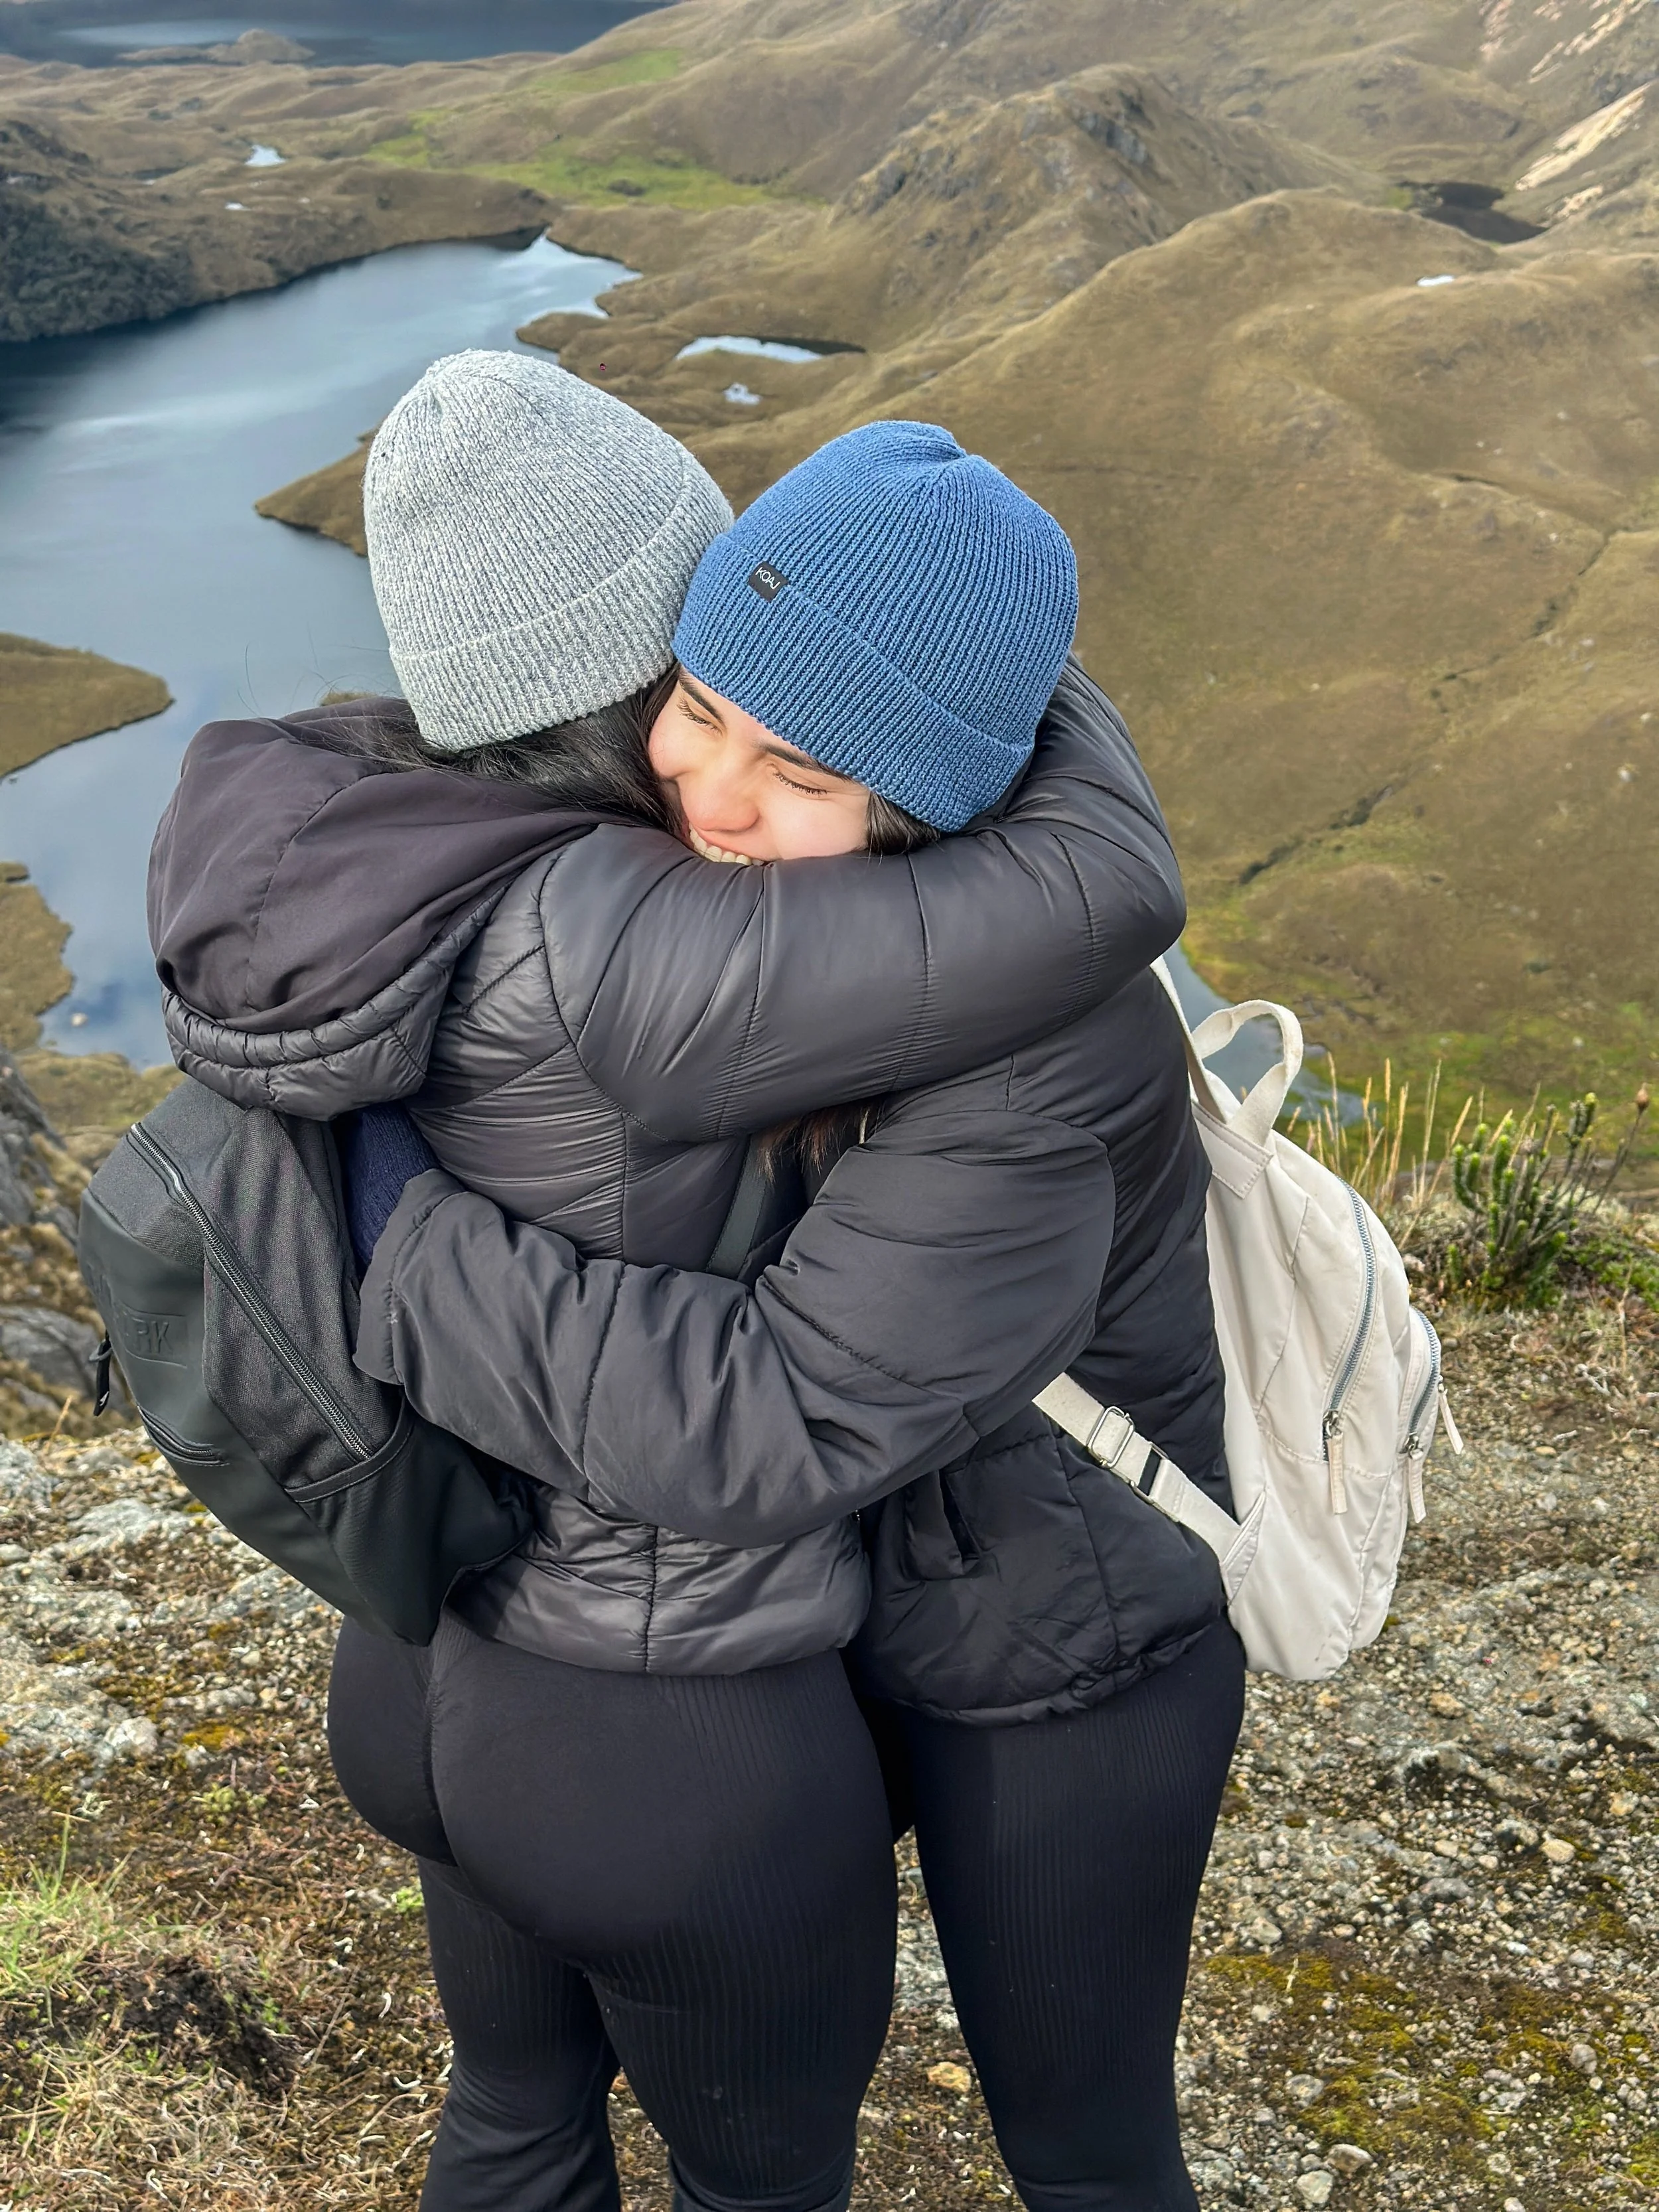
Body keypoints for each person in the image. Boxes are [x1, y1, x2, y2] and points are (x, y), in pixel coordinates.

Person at [147, 352, 1204, 2212]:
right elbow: (766, 1419)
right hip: (692, 1709)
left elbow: (789, 1395)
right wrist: (403, 1244)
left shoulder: (425, 870)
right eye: (695, 709)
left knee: (559, 2121)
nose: (709, 791)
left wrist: (387, 1224)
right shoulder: (717, 949)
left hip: (935, 1645)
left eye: (798, 768)